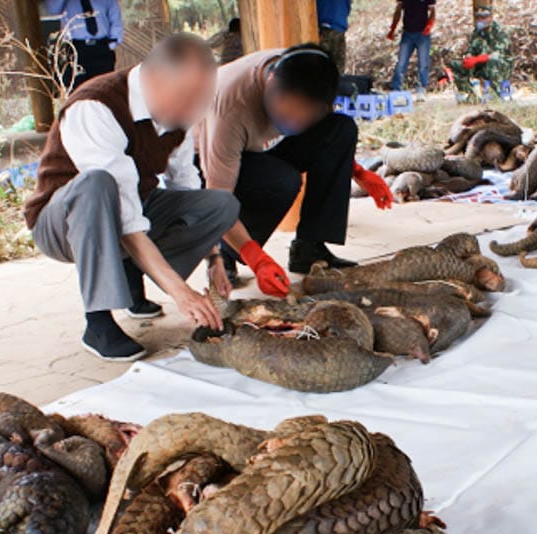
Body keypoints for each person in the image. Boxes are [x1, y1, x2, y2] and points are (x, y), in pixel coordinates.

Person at [24, 34, 239, 362]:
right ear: (153, 77)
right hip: (63, 221)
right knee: (97, 184)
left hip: (135, 207)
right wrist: (181, 293)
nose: (192, 109)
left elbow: (186, 187)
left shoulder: (177, 115)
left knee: (220, 205)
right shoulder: (95, 106)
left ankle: (130, 273)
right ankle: (97, 321)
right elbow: (121, 211)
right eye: (185, 97)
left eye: (201, 99)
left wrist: (214, 260)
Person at [194, 44, 393, 284]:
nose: (295, 123)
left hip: (258, 149)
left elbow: (322, 136)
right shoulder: (230, 108)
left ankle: (309, 249)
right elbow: (217, 199)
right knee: (281, 180)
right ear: (270, 82)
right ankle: (225, 250)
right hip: (205, 163)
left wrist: (359, 172)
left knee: (341, 129)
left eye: (304, 117)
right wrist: (255, 257)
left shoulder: (312, 77)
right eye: (286, 115)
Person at [46, 0, 124, 92]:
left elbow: (115, 20)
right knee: (79, 90)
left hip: (101, 48)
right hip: (76, 49)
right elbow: (52, 9)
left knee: (104, 89)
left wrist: (111, 44)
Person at [447, 5, 514, 100]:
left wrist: (477, 59)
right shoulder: (477, 32)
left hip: (501, 65)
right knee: (454, 64)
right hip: (480, 64)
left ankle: (498, 93)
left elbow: (498, 54)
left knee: (493, 61)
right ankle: (469, 94)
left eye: (483, 17)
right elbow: (471, 49)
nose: (480, 20)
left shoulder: (499, 32)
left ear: (490, 17)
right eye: (478, 17)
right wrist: (468, 57)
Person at [388, 0, 435, 93]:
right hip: (407, 33)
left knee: (423, 62)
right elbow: (398, 10)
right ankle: (396, 88)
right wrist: (393, 28)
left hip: (423, 33)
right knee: (401, 62)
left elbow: (432, 10)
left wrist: (429, 25)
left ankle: (421, 88)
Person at [316, 0, 352, 73]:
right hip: (339, 29)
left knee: (321, 69)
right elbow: (348, 8)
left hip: (325, 29)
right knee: (338, 70)